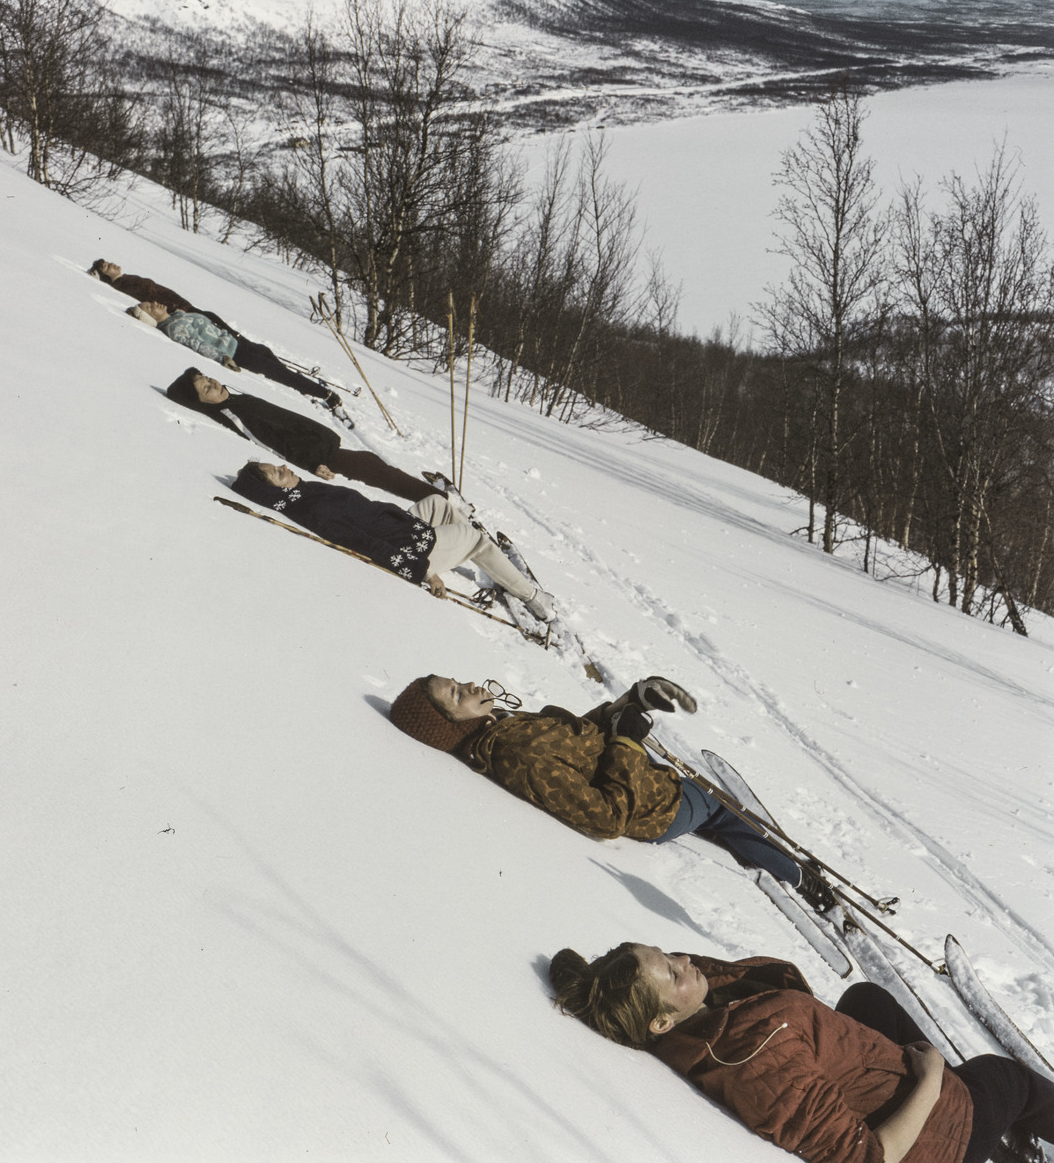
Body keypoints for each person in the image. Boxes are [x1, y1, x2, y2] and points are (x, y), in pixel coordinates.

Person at [548, 941, 1054, 1163]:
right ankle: (987, 1118)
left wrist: (587, 977)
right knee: (1008, 1079)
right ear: (660, 1022)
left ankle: (990, 1126)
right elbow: (868, 1158)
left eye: (669, 954)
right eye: (673, 973)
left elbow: (621, 985)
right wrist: (931, 1081)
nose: (684, 962)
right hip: (940, 1141)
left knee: (866, 998)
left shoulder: (690, 1016)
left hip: (859, 1063)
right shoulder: (757, 1059)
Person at [388, 675, 835, 909]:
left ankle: (744, 841)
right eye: (455, 694)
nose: (467, 686)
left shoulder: (501, 730)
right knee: (717, 802)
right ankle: (800, 878)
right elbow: (606, 819)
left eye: (456, 681)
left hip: (644, 784)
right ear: (449, 724)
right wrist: (625, 742)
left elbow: (574, 745)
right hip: (655, 808)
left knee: (707, 801)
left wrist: (629, 703)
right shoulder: (514, 752)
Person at [231, 460, 556, 619]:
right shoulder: (313, 508)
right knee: (475, 538)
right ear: (276, 489)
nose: (283, 467)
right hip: (409, 548)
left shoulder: (305, 490)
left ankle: (491, 565)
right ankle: (533, 598)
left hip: (400, 526)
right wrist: (426, 571)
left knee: (438, 504)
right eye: (276, 473)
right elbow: (358, 540)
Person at [165, 367, 435, 504]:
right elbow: (269, 441)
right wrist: (311, 464)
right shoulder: (234, 414)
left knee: (373, 466)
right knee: (374, 470)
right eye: (205, 388)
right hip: (317, 453)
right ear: (203, 402)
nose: (212, 383)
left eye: (207, 378)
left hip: (319, 443)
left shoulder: (233, 398)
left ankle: (430, 496)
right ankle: (435, 500)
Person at [89, 259, 338, 405]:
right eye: (106, 267)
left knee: (265, 353)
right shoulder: (127, 287)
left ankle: (303, 384)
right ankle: (320, 393)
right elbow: (196, 344)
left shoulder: (134, 284)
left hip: (208, 325)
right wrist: (222, 358)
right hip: (226, 347)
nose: (112, 265)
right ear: (105, 277)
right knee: (269, 367)